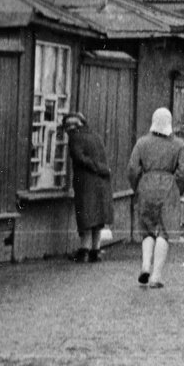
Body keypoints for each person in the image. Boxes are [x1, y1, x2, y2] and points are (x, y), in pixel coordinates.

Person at [126, 107, 184, 289]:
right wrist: (177, 188)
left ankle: (145, 264)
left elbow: (132, 168)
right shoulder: (179, 145)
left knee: (147, 229)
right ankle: (156, 275)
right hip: (169, 187)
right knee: (165, 231)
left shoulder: (141, 143)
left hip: (146, 186)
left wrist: (138, 185)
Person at [63, 112, 114, 262]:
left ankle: (84, 250)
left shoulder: (75, 137)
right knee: (97, 217)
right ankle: (95, 251)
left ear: (72, 126)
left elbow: (79, 158)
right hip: (102, 181)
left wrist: (94, 167)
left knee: (85, 215)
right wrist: (102, 169)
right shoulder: (95, 136)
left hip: (86, 181)